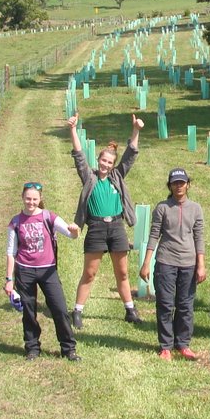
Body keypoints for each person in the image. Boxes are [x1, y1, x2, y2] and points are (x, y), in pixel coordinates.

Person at [66, 112, 144, 328]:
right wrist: (73, 129)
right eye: (103, 160)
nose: (106, 165)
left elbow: (130, 155)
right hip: (96, 229)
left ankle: (130, 310)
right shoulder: (89, 176)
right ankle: (77, 312)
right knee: (89, 273)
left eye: (110, 162)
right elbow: (79, 155)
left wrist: (136, 130)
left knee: (123, 272)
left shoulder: (117, 176)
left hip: (117, 227)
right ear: (98, 160)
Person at [4, 182, 82, 361]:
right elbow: (10, 252)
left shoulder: (49, 217)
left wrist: (75, 230)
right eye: (28, 198)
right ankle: (32, 347)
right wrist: (9, 279)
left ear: (40, 199)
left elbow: (71, 235)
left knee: (60, 309)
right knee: (28, 311)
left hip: (48, 271)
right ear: (22, 198)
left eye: (34, 199)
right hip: (25, 271)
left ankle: (68, 348)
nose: (31, 202)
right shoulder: (15, 222)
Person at [140, 168, 206, 360]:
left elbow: (199, 237)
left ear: (188, 184)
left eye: (182, 182)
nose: (179, 186)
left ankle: (183, 344)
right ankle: (166, 346)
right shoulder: (162, 208)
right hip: (165, 262)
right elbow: (154, 236)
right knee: (165, 304)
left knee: (185, 305)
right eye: (175, 183)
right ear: (169, 185)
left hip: (188, 263)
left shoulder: (196, 208)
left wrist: (201, 264)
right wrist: (146, 263)